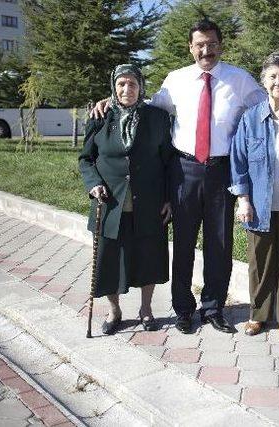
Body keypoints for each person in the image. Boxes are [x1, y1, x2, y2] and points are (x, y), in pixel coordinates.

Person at [92, 19, 265, 334]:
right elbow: (146, 105)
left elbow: (268, 105)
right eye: (199, 44)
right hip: (183, 171)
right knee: (183, 244)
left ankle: (213, 308)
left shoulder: (239, 80)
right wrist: (111, 102)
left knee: (219, 244)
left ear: (220, 45)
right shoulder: (176, 80)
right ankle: (183, 309)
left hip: (221, 171)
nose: (206, 50)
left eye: (211, 43)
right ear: (191, 47)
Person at [79, 64, 173, 335]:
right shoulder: (100, 116)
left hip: (149, 202)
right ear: (113, 87)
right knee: (109, 260)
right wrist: (93, 183)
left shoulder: (157, 117)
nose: (126, 89)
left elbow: (168, 163)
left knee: (148, 257)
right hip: (110, 203)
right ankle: (114, 311)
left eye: (132, 84)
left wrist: (168, 198)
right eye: (121, 84)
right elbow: (86, 159)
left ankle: (146, 309)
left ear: (140, 86)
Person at [229, 53, 279, 338]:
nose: (278, 81)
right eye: (273, 76)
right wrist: (243, 199)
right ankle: (258, 315)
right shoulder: (250, 119)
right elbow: (238, 161)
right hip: (258, 206)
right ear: (264, 81)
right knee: (259, 263)